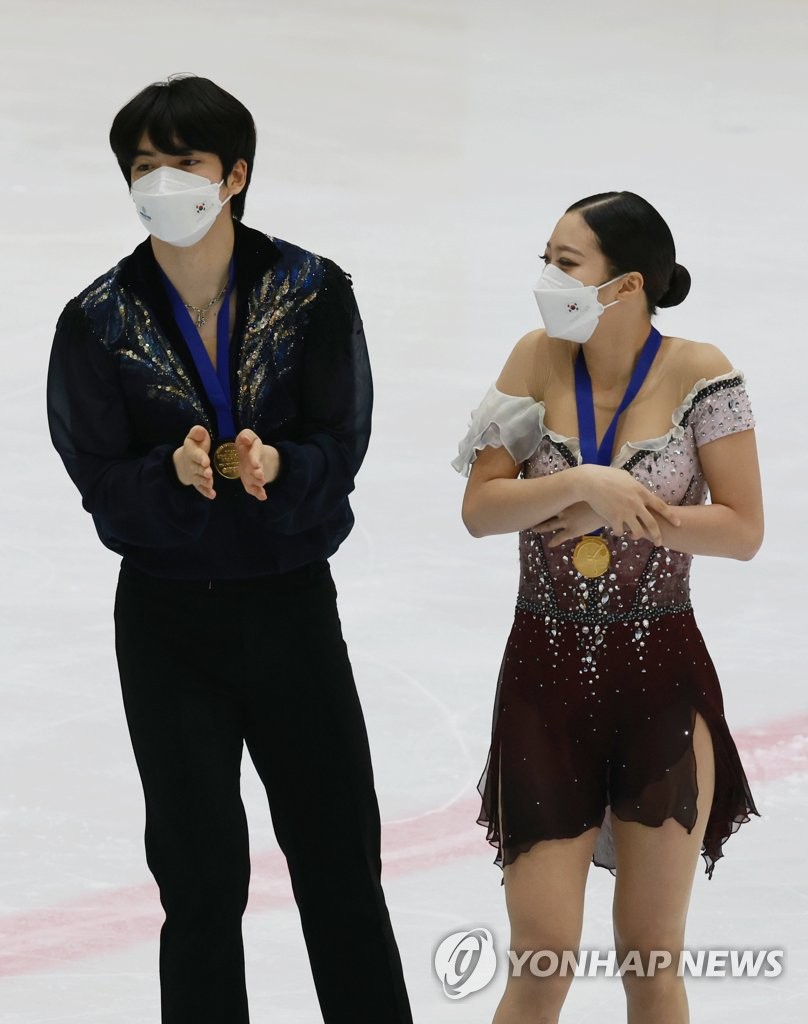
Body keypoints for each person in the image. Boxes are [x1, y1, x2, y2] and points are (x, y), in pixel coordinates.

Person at [47, 74, 413, 1024]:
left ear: (235, 174)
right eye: (144, 166)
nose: (164, 182)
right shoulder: (95, 320)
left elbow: (345, 439)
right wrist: (167, 477)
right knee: (199, 877)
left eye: (186, 162)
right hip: (169, 623)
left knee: (339, 864)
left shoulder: (311, 289)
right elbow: (94, 471)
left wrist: (279, 465)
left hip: (290, 606)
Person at [452, 191, 764, 1024]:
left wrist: (625, 510)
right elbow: (482, 509)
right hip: (543, 680)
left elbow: (742, 530)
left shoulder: (702, 372)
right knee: (542, 959)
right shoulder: (534, 358)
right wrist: (582, 482)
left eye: (566, 263)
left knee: (650, 961)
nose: (548, 278)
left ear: (626, 286)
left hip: (661, 680)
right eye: (546, 258)